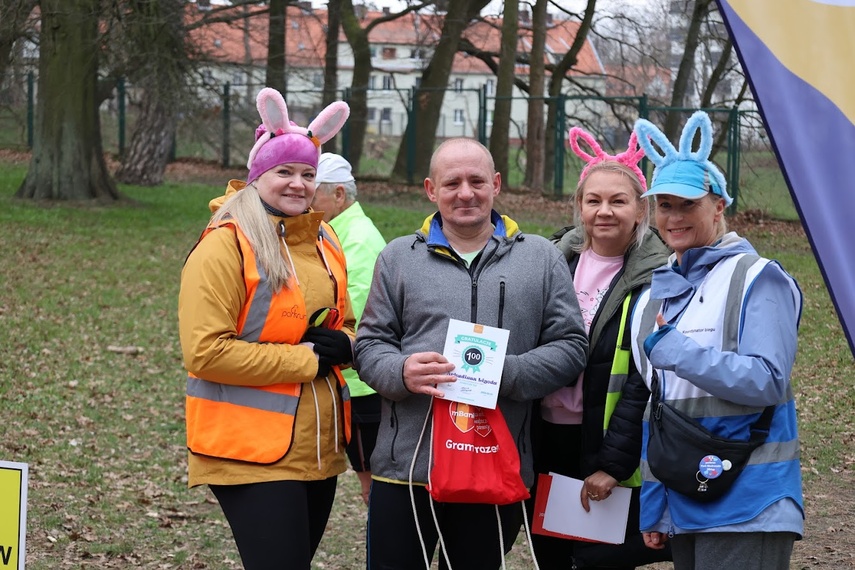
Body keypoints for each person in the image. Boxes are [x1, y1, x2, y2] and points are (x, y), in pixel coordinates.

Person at [354, 137, 589, 570]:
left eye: (477, 180)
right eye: (452, 183)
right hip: (408, 468)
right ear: (431, 190)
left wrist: (508, 372)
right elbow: (368, 346)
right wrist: (402, 370)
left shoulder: (539, 258)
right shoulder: (397, 258)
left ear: (496, 184)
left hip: (495, 464)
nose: (466, 193)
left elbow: (572, 346)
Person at [178, 87, 354, 570]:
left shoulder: (324, 238)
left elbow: (348, 322)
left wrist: (348, 344)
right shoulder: (224, 245)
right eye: (284, 172)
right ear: (258, 176)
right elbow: (205, 352)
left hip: (316, 446)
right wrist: (308, 360)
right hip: (247, 448)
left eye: (308, 173)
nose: (298, 184)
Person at [629, 111, 803, 569]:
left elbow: (767, 381)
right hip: (687, 499)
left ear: (719, 205)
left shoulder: (757, 278)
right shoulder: (654, 294)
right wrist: (656, 501)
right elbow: (660, 410)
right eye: (664, 205)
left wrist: (679, 353)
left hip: (750, 501)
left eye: (687, 204)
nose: (673, 216)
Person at [531, 127, 672, 569]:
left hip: (606, 441)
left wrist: (613, 463)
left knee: (598, 560)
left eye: (618, 201)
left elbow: (645, 377)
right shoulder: (551, 261)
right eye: (593, 201)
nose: (604, 212)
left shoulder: (659, 276)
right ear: (579, 207)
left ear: (640, 209)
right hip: (543, 436)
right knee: (551, 555)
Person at [312, 152, 387, 505]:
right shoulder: (334, 232)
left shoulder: (355, 239)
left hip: (361, 387)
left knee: (373, 484)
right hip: (349, 381)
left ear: (339, 195)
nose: (305, 202)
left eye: (313, 195)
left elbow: (359, 312)